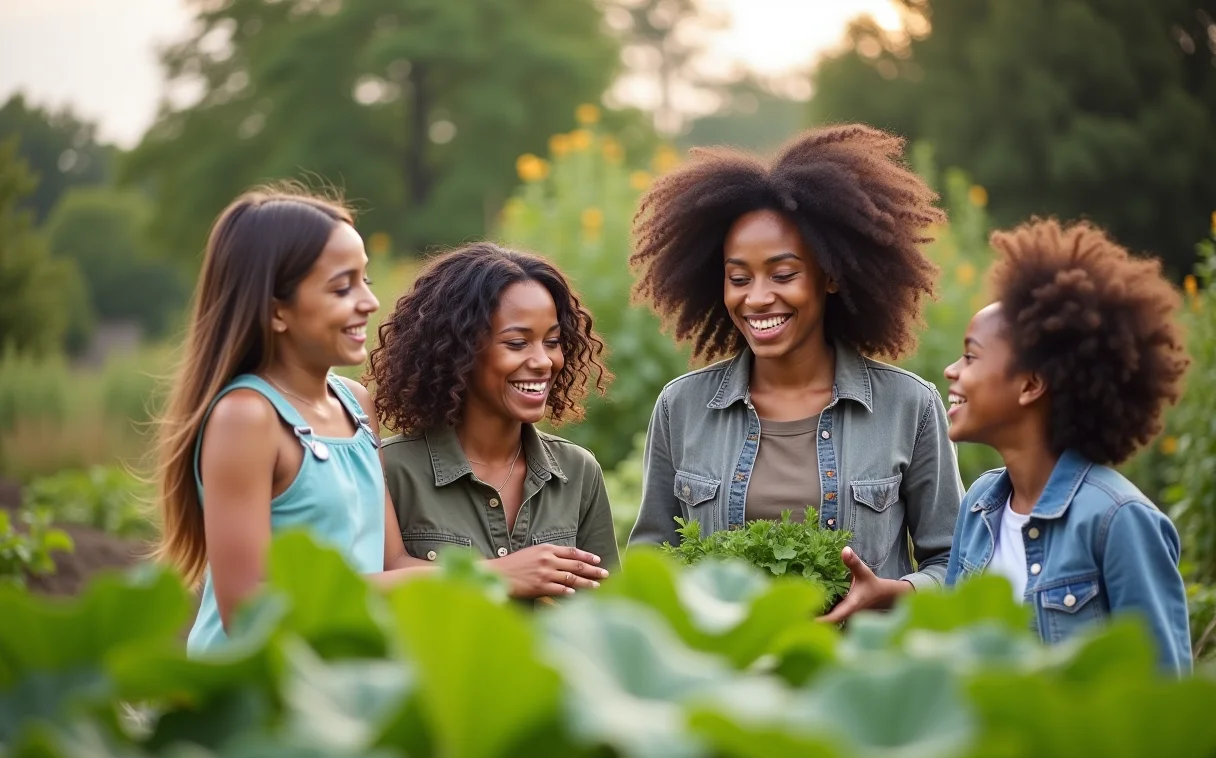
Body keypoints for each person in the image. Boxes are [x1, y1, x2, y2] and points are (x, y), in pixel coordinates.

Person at [628, 124, 963, 622]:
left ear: (828, 275)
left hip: (858, 676)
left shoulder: (907, 406)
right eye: (739, 278)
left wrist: (896, 592)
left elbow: (956, 564)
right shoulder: (682, 407)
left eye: (784, 275)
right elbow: (650, 560)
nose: (758, 298)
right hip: (727, 677)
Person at [155, 185, 418, 655]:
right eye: (342, 287)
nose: (369, 303)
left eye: (366, 281)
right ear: (277, 310)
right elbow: (248, 613)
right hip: (253, 694)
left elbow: (391, 561)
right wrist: (496, 576)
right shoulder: (247, 418)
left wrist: (498, 577)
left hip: (331, 686)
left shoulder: (356, 404)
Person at [943, 218, 1192, 672]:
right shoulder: (978, 507)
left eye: (971, 356)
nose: (951, 370)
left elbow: (1162, 696)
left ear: (1031, 384)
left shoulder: (1118, 520)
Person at [368, 242, 616, 599]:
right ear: (460, 351)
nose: (544, 361)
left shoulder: (578, 472)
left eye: (552, 341)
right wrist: (496, 576)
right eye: (517, 343)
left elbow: (608, 614)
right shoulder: (391, 471)